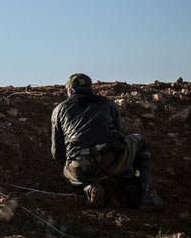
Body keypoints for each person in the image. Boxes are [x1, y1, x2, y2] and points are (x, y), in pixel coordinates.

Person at [51, 73, 163, 210]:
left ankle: (89, 186)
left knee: (70, 171)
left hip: (80, 163)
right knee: (139, 141)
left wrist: (70, 165)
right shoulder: (107, 103)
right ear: (90, 88)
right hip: (111, 158)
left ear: (70, 91)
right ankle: (145, 193)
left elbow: (57, 153)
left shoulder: (59, 109)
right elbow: (119, 135)